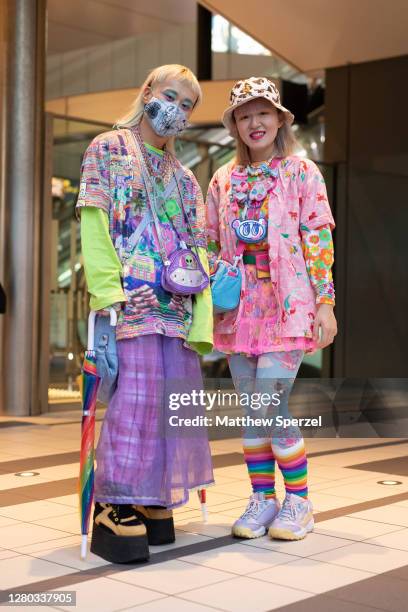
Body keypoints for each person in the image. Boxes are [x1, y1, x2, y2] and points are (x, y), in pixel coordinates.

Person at [77, 64, 214, 563]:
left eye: (187, 105)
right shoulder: (107, 149)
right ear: (148, 92)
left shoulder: (184, 176)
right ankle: (114, 500)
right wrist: (106, 294)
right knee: (132, 405)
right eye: (171, 96)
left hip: (176, 307)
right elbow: (94, 223)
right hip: (128, 302)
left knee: (168, 407)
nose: (176, 110)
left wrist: (205, 299)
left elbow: (198, 244)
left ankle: (150, 494)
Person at [206, 77, 337, 541]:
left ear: (280, 119)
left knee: (269, 404)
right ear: (235, 125)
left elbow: (318, 239)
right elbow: (211, 242)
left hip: (288, 307)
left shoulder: (302, 173)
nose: (253, 123)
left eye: (263, 113)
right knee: (252, 411)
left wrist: (326, 303)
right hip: (238, 311)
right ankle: (263, 499)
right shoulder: (223, 179)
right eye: (244, 115)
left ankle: (299, 502)